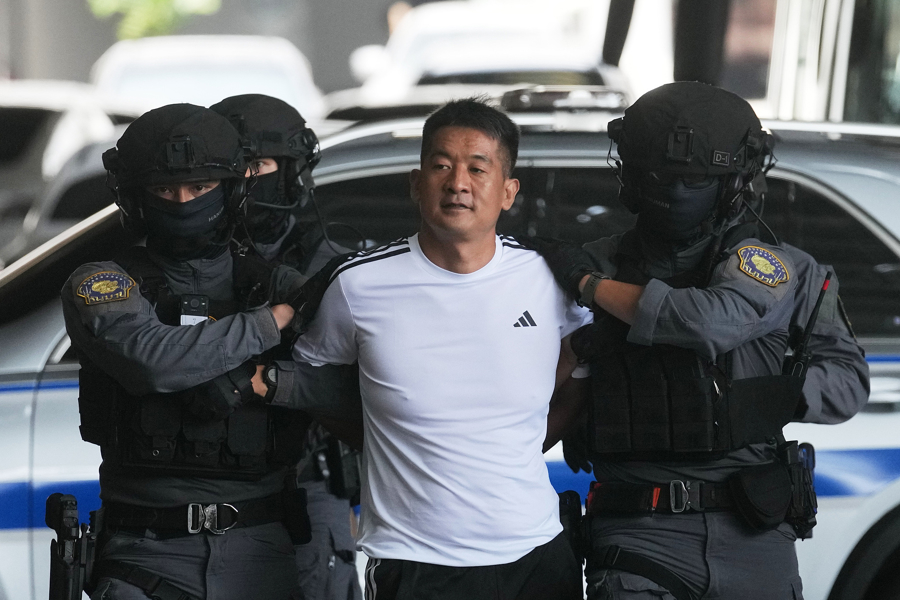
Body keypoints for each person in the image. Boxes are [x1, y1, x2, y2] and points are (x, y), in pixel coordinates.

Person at [527, 81, 870, 599]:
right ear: (632, 179)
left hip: (753, 530)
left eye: (695, 180)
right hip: (637, 532)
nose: (675, 192)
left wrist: (766, 398)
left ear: (733, 184)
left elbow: (847, 382)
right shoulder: (588, 264)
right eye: (660, 178)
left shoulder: (785, 270)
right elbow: (522, 401)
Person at [292, 98, 589, 600]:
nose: (458, 183)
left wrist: (514, 444)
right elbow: (312, 380)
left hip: (538, 557)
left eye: (478, 168)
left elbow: (581, 364)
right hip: (415, 564)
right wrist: (388, 442)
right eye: (442, 166)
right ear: (416, 183)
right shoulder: (358, 285)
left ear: (508, 191)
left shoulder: (548, 278)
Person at [61, 103, 312, 600]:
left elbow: (348, 382)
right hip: (144, 555)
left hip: (261, 553)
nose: (182, 203)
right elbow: (151, 360)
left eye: (200, 187)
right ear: (134, 197)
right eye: (164, 190)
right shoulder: (100, 282)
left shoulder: (279, 285)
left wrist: (263, 383)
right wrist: (268, 324)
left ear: (233, 189)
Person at [210, 94, 363, 600]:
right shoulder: (190, 262)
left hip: (304, 484)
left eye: (258, 165)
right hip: (206, 487)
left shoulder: (337, 270)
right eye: (234, 167)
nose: (245, 180)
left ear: (293, 172)